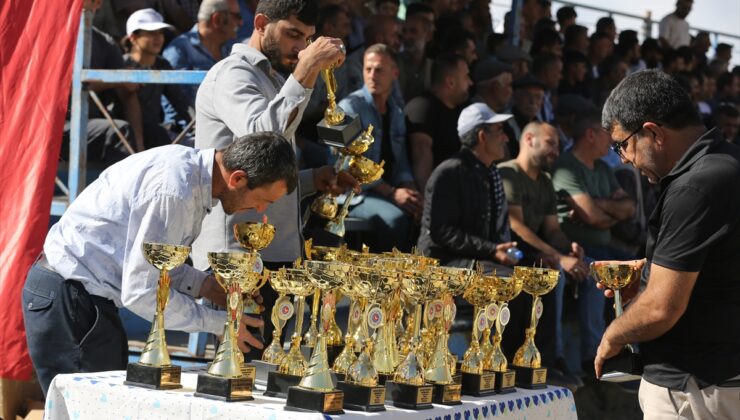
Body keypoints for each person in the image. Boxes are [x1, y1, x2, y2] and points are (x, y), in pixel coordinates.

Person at [22, 132, 298, 395]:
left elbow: (158, 263)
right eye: (262, 200)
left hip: (80, 297)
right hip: (70, 298)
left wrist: (206, 286)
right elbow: (140, 290)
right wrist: (220, 323)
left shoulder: (187, 176)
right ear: (237, 178)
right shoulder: (174, 190)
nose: (261, 211)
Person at [192, 0, 356, 359]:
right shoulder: (233, 73)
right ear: (262, 23)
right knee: (239, 377)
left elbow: (268, 171)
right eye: (292, 34)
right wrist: (306, 71)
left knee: (269, 378)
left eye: (308, 39)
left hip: (278, 252)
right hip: (236, 256)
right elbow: (263, 136)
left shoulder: (276, 77)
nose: (300, 47)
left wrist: (315, 179)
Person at [595, 69, 740, 418]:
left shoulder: (695, 187)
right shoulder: (729, 162)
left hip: (694, 389)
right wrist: (654, 273)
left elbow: (661, 308)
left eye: (622, 145)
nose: (624, 160)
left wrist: (613, 335)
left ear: (653, 133)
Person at [499, 121, 604, 385]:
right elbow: (517, 226)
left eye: (558, 144)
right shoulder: (508, 173)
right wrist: (559, 258)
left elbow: (553, 230)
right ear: (529, 139)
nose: (556, 151)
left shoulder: (545, 181)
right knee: (553, 274)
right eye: (550, 143)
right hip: (512, 252)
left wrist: (569, 248)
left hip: (540, 251)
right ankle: (551, 357)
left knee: (592, 271)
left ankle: (593, 358)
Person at [338, 44, 422, 251]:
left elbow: (401, 161)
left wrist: (411, 192)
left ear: (395, 73)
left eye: (379, 70)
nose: (372, 75)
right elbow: (348, 165)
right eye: (368, 69)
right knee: (396, 221)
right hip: (353, 195)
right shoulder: (349, 108)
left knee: (424, 217)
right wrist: (392, 192)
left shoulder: (396, 111)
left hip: (385, 191)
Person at [417, 102, 517, 272]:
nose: (506, 138)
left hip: (481, 259)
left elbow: (498, 229)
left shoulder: (490, 172)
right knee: (511, 283)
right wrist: (491, 250)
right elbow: (442, 232)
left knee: (541, 272)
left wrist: (539, 254)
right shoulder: (448, 174)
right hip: (445, 264)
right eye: (500, 130)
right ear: (482, 137)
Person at [552, 107, 635, 262]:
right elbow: (593, 217)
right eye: (607, 134)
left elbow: (630, 208)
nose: (612, 140)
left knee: (641, 270)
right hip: (579, 250)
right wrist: (614, 213)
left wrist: (596, 203)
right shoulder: (566, 167)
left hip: (605, 247)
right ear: (591, 135)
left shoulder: (602, 168)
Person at [123, 9, 193, 149]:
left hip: (155, 132)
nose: (158, 38)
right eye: (150, 33)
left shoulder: (163, 64)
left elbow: (180, 102)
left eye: (160, 33)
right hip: (125, 135)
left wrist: (196, 122)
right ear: (133, 38)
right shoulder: (122, 64)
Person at [405, 53, 472, 191]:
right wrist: (429, 200)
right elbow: (421, 152)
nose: (470, 82)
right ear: (450, 82)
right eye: (466, 76)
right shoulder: (422, 108)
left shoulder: (463, 110)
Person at [163, 0, 243, 104]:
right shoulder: (179, 50)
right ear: (217, 19)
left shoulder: (230, 50)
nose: (241, 23)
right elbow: (179, 103)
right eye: (237, 16)